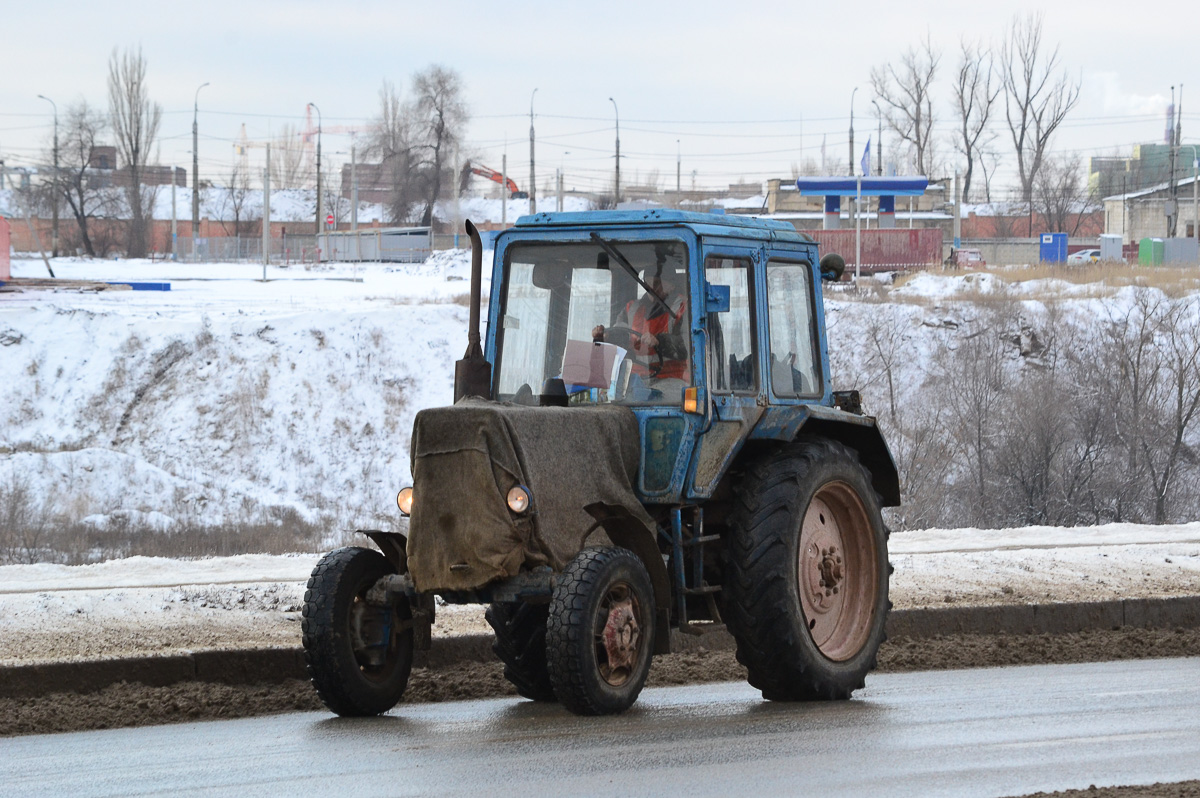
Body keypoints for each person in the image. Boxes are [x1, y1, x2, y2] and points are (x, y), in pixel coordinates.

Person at [592, 268, 689, 386]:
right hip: (635, 379)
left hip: (673, 377)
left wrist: (660, 342)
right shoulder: (632, 308)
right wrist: (608, 336)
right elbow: (622, 334)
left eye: (658, 283)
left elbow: (689, 345)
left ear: (672, 285)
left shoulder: (684, 307)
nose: (652, 288)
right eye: (648, 283)